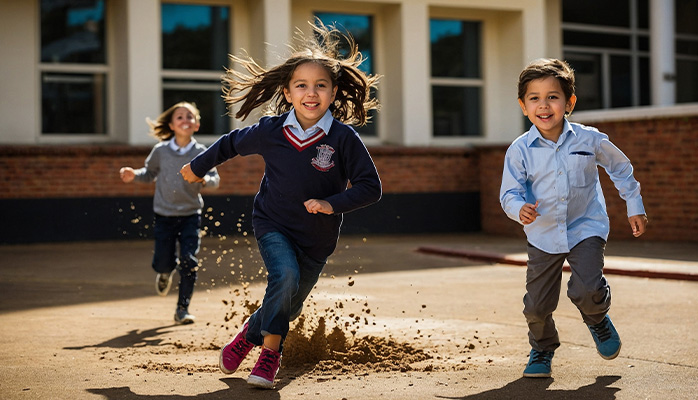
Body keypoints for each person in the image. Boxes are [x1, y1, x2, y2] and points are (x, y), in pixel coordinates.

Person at [181, 22, 382, 389]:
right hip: (273, 222)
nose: (311, 93)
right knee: (284, 277)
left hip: (317, 239)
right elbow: (228, 144)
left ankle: (248, 334)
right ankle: (270, 355)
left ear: (334, 92)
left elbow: (371, 187)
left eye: (321, 85)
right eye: (301, 85)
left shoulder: (343, 138)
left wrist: (330, 203)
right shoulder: (271, 130)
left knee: (289, 303)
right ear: (288, 93)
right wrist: (197, 167)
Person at [500, 58, 648, 378]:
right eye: (534, 98)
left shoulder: (589, 140)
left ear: (569, 102)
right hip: (543, 234)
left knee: (586, 291)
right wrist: (518, 208)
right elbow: (509, 193)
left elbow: (620, 169)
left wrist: (634, 204)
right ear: (523, 106)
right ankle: (542, 348)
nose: (544, 105)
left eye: (552, 97)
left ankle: (597, 319)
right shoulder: (520, 150)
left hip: (586, 226)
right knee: (536, 307)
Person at [120, 101, 220, 325]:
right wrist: (133, 175)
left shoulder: (201, 152)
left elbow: (215, 180)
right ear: (172, 125)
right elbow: (149, 174)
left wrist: (203, 178)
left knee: (189, 260)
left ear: (197, 125)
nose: (185, 120)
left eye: (190, 117)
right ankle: (164, 273)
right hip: (164, 216)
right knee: (164, 261)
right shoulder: (161, 151)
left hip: (190, 216)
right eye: (180, 117)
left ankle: (182, 309)